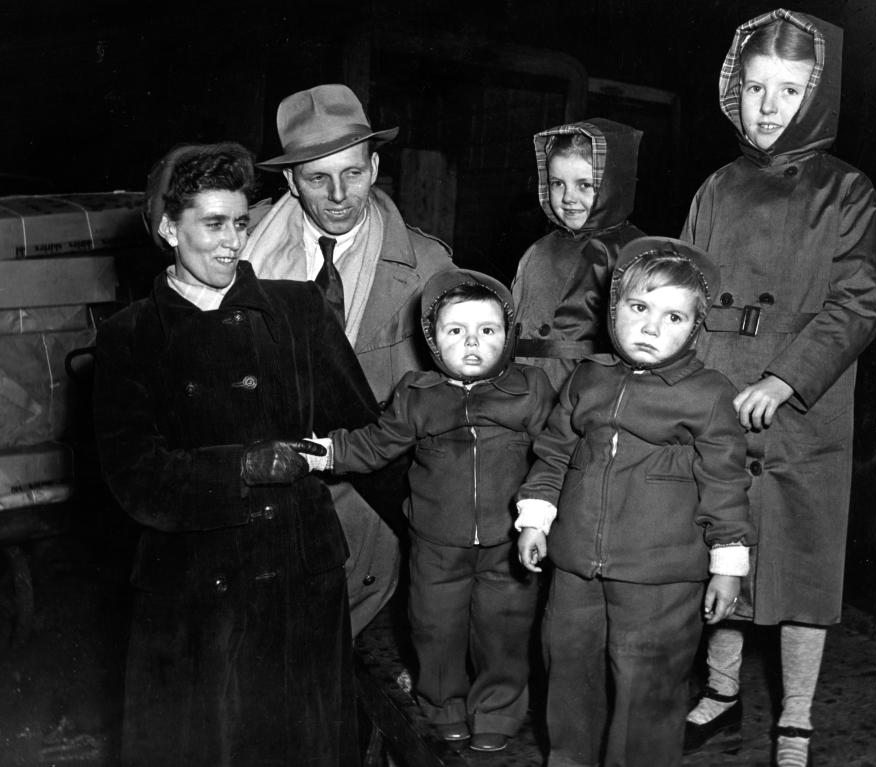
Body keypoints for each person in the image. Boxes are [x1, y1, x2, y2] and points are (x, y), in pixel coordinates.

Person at [94, 142, 393, 766]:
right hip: (193, 592)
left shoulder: (297, 311)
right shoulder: (130, 337)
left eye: (240, 223)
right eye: (213, 223)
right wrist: (242, 466)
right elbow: (134, 477)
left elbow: (370, 437)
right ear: (169, 229)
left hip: (299, 582)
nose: (232, 241)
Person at [679, 10, 876, 767]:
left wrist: (786, 375)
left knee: (799, 565)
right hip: (719, 400)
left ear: (820, 94)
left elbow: (859, 299)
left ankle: (795, 715)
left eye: (791, 91)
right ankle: (723, 689)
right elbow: (686, 292)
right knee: (723, 549)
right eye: (756, 88)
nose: (770, 108)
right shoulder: (715, 188)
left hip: (805, 412)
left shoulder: (848, 191)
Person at [516, 236, 756, 767]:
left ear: (696, 329)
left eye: (674, 317)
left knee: (648, 687)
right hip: (577, 566)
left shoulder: (709, 394)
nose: (650, 327)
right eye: (639, 307)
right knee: (569, 672)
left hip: (661, 578)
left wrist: (727, 566)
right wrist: (536, 518)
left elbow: (726, 484)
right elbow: (553, 452)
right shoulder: (587, 378)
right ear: (612, 309)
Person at [241, 83, 455, 637]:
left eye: (353, 173)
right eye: (317, 177)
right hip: (268, 491)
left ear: (375, 164)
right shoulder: (239, 252)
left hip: (370, 502)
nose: (339, 194)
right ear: (289, 180)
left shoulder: (428, 266)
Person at [311, 269, 555, 753]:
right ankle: (442, 704)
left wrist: (541, 517)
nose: (471, 343)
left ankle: (499, 709)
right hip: (435, 542)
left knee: (504, 630)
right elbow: (376, 444)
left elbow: (557, 453)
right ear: (431, 339)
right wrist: (324, 452)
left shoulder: (531, 389)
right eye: (455, 331)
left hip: (509, 542)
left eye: (488, 331)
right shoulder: (417, 394)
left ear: (508, 336)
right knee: (433, 626)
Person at [512, 118, 644, 392]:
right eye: (558, 183)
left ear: (613, 184)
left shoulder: (632, 251)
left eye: (584, 185)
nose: (568, 197)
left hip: (586, 393)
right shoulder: (538, 250)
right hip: (523, 389)